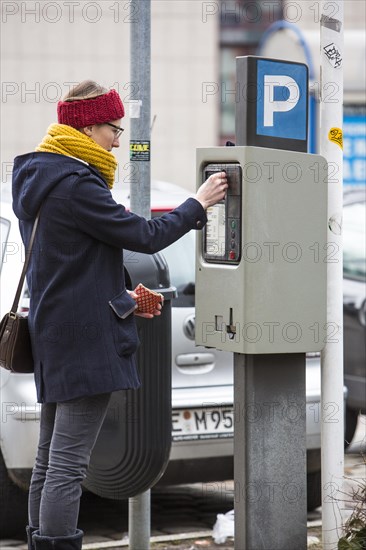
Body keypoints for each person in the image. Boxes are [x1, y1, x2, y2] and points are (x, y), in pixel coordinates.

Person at [11, 80, 228, 550]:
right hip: (86, 343)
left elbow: (72, 267)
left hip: (55, 332)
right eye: (114, 128)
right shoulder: (76, 185)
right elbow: (144, 236)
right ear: (88, 127)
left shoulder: (38, 178)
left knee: (50, 461)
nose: (118, 138)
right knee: (67, 465)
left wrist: (126, 298)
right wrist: (199, 204)